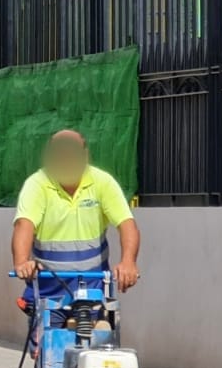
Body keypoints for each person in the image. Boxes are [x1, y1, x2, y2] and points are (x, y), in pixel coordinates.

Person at [11, 129, 141, 315]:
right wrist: (22, 262)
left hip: (93, 286)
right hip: (49, 289)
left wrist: (128, 262)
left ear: (85, 155)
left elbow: (127, 224)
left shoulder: (102, 182)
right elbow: (24, 225)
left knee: (101, 338)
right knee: (47, 338)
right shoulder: (37, 184)